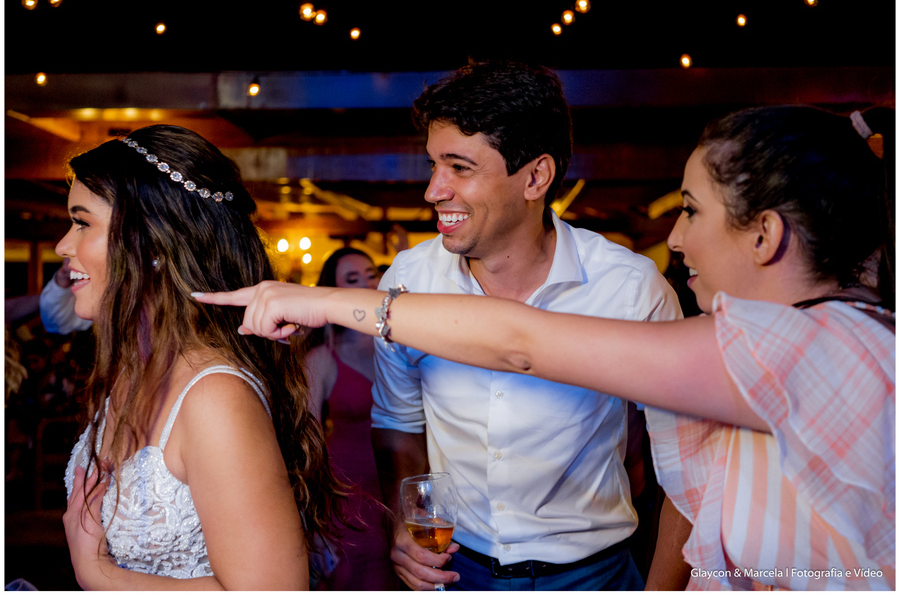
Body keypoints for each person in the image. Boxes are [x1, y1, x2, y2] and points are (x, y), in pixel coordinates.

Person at [197, 105, 895, 590]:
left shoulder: (824, 351)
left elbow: (520, 343)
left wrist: (316, 300)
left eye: (689, 209)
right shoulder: (781, 346)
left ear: (765, 235)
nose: (676, 238)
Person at [59, 124, 348, 590]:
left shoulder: (214, 397)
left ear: (150, 242)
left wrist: (98, 574)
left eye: (82, 222)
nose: (63, 246)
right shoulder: (134, 370)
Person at [304, 247, 395, 590]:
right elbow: (307, 444)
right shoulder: (321, 357)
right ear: (336, 292)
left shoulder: (405, 344)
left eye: (372, 274)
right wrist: (312, 522)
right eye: (352, 279)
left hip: (402, 482)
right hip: (350, 493)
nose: (367, 284)